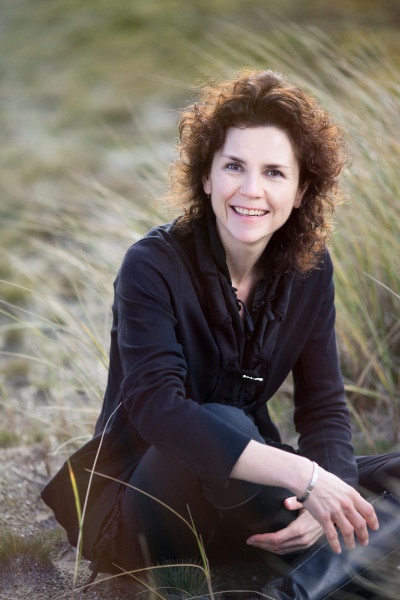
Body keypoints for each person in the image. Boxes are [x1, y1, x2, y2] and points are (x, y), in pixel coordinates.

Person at [41, 69, 400, 598]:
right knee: (223, 419)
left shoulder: (311, 269)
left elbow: (323, 407)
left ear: (301, 189)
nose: (250, 190)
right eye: (234, 166)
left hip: (246, 492)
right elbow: (159, 408)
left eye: (274, 172)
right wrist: (306, 479)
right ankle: (337, 569)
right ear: (206, 176)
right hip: (145, 508)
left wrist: (331, 495)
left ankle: (290, 591)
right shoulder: (151, 265)